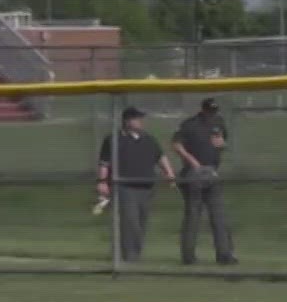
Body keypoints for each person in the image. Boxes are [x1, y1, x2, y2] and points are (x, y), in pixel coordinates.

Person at [95, 106, 174, 263]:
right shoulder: (113, 139)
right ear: (127, 121)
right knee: (130, 223)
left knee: (142, 223)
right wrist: (102, 182)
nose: (141, 121)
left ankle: (134, 254)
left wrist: (169, 173)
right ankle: (129, 256)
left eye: (141, 118)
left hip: (146, 187)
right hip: (125, 186)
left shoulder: (148, 139)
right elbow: (105, 163)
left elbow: (161, 157)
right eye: (137, 118)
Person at [173, 97, 235, 266]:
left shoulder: (219, 123)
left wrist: (222, 144)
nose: (212, 113)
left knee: (219, 215)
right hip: (194, 173)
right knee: (193, 215)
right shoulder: (190, 124)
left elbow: (223, 143)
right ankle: (188, 256)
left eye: (215, 110)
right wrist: (192, 161)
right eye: (210, 110)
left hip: (212, 172)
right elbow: (177, 144)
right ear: (203, 109)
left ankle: (224, 254)